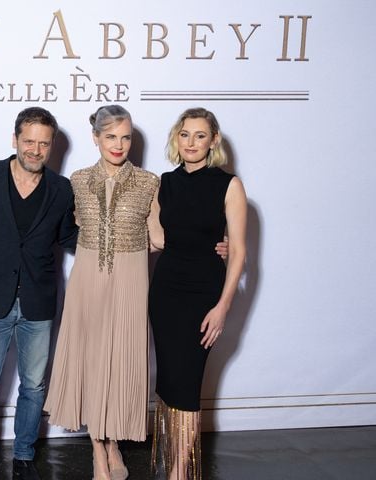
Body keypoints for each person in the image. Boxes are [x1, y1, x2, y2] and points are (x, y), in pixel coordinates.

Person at [0, 107, 78, 480]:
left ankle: (24, 456)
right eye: (29, 141)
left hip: (39, 302)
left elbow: (71, 238)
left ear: (52, 146)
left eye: (43, 143)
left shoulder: (61, 188)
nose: (35, 149)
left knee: (33, 386)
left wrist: (127, 236)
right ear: (15, 140)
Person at [44, 105, 159, 480]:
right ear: (95, 138)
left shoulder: (149, 182)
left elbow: (158, 237)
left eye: (125, 137)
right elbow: (63, 226)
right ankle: (98, 449)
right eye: (110, 136)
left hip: (130, 279)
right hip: (88, 278)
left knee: (122, 361)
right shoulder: (75, 180)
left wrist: (211, 243)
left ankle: (114, 443)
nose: (118, 144)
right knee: (92, 362)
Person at [148, 107, 247, 480]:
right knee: (170, 380)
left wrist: (222, 307)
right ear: (177, 139)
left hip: (204, 294)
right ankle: (174, 463)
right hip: (165, 292)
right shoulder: (164, 182)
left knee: (188, 383)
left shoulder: (229, 185)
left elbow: (238, 251)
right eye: (185, 134)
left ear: (214, 140)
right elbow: (156, 238)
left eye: (200, 135)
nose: (191, 142)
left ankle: (178, 472)